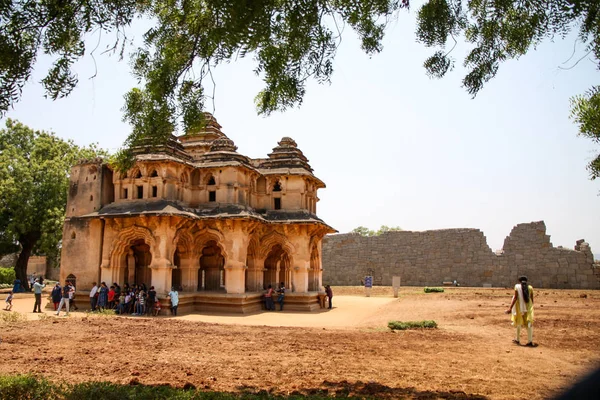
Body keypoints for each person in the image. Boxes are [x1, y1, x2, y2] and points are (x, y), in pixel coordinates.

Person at [506, 275, 535, 346]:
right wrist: (531, 307)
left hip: (519, 307)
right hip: (528, 307)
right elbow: (531, 299)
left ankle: (517, 339)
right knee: (529, 323)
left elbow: (515, 297)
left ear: (519, 281)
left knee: (518, 323)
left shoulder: (517, 286)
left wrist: (510, 308)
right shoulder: (530, 288)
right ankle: (530, 341)